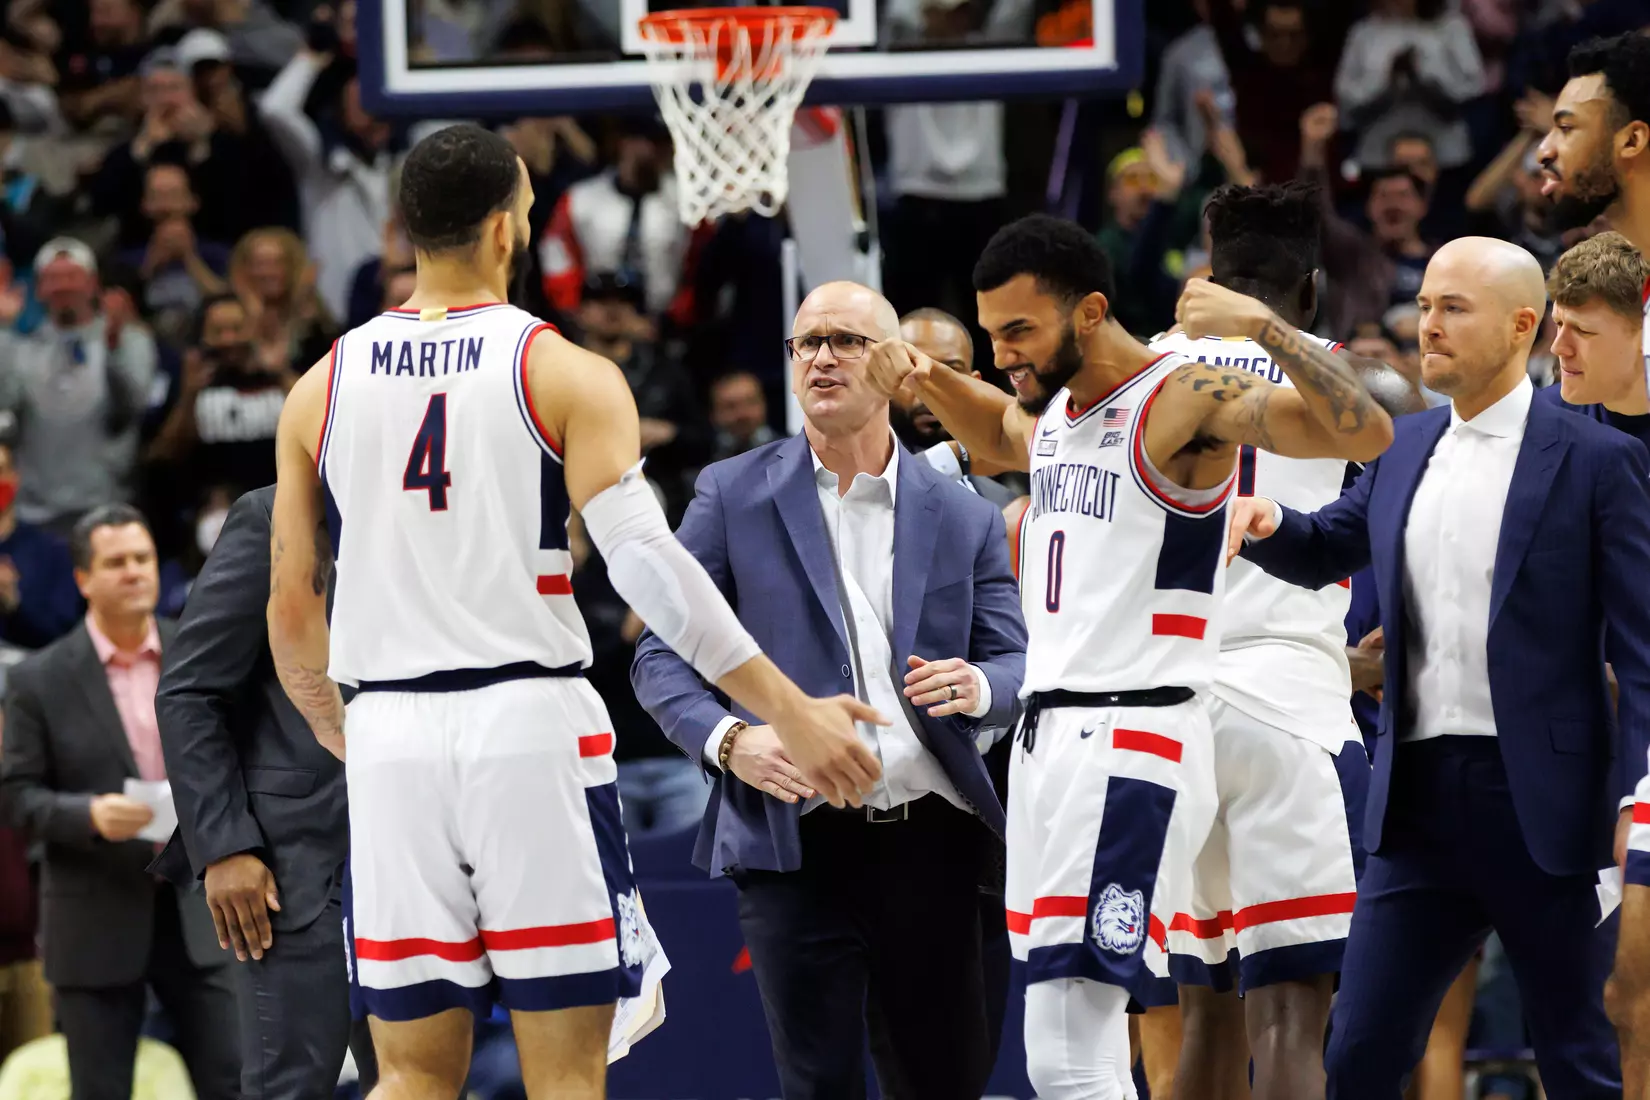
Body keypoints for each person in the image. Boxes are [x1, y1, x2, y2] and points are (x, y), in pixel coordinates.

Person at [264, 123, 883, 1099]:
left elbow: (293, 603)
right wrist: (790, 707)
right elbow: (647, 564)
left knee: (413, 1073)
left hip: (388, 731)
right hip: (525, 724)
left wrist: (346, 730)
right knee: (566, 1074)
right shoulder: (563, 370)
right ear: (510, 229)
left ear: (405, 226)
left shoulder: (319, 385)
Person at [862, 213, 1394, 1099]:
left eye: (1019, 332)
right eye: (991, 336)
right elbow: (999, 432)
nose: (1003, 357)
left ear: (1090, 311)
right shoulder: (1063, 414)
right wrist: (921, 377)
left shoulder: (1180, 394)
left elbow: (1366, 429)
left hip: (1133, 737)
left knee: (1076, 1048)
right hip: (1052, 742)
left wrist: (1263, 330)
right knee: (1065, 1046)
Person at [1228, 237, 1648, 1100]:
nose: (1429, 325)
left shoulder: (1600, 459)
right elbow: (1329, 545)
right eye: (1424, 306)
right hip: (1415, 801)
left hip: (1552, 803)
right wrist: (1271, 521)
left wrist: (1635, 803)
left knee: (1582, 1055)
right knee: (1359, 1056)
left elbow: (1642, 658)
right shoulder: (1403, 443)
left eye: (1454, 308)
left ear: (1522, 326)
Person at [630, 280, 1027, 1099]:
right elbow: (658, 657)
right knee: (818, 1087)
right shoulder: (732, 492)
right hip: (793, 841)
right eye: (806, 342)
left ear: (893, 366)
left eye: (845, 340)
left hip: (935, 842)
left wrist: (982, 685)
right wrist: (732, 741)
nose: (821, 358)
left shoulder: (963, 514)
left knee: (947, 1084)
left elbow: (1018, 664)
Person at [1148, 181, 1426, 1100]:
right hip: (1291, 714)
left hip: (1171, 712)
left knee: (1205, 1021)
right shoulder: (1344, 377)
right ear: (1309, 288)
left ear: (1207, 273)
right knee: (1292, 1018)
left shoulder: (1145, 369)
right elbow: (1401, 409)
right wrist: (1274, 335)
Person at [0, 505, 239, 1100]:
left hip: (203, 909)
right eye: (115, 562)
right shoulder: (39, 679)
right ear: (82, 579)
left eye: (142, 558)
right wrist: (87, 816)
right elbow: (15, 795)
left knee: (237, 1083)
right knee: (100, 1090)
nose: (134, 572)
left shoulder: (200, 651)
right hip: (94, 914)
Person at [150, 486, 378, 1100]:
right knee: (288, 1088)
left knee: (430, 1084)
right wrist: (223, 845)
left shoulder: (444, 499)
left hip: (420, 848)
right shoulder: (274, 513)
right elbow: (189, 692)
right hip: (294, 864)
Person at [893, 307, 1020, 508]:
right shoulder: (850, 476)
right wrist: (955, 455)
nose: (928, 386)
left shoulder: (1006, 502)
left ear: (974, 384)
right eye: (911, 368)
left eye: (950, 372)